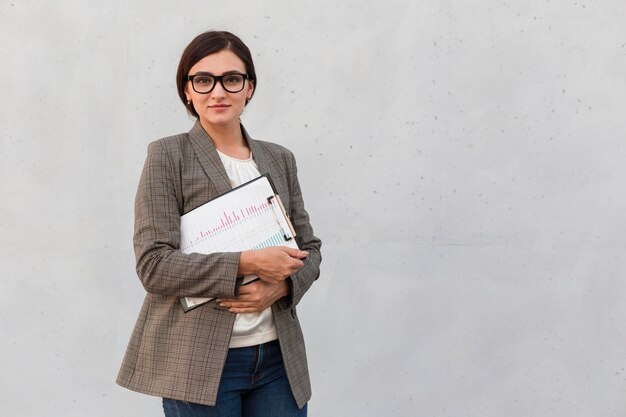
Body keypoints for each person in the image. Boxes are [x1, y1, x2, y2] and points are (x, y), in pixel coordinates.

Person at [116, 30, 322, 417]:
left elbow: (310, 249)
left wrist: (280, 288)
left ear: (249, 88)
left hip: (278, 359)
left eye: (232, 79)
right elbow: (153, 266)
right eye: (203, 80)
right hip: (200, 361)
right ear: (187, 91)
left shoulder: (279, 159)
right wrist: (249, 262)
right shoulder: (167, 156)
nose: (218, 91)